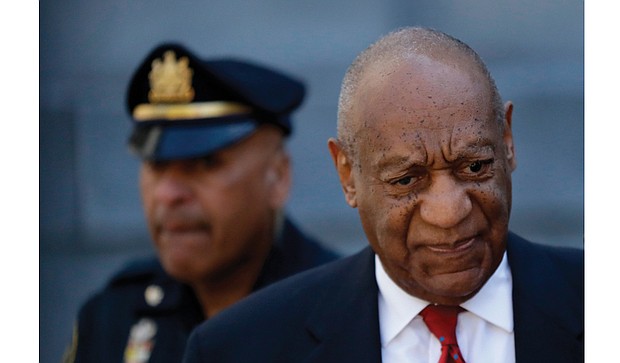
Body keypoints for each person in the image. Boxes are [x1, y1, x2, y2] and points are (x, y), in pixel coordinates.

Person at [182, 27, 584, 363]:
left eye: (475, 167)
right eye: (407, 180)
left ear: (508, 142)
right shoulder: (239, 349)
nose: (448, 212)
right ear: (348, 176)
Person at [63, 43, 339, 363]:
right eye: (156, 164)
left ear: (277, 177)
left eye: (206, 163)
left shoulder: (341, 314)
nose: (168, 194)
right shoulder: (113, 316)